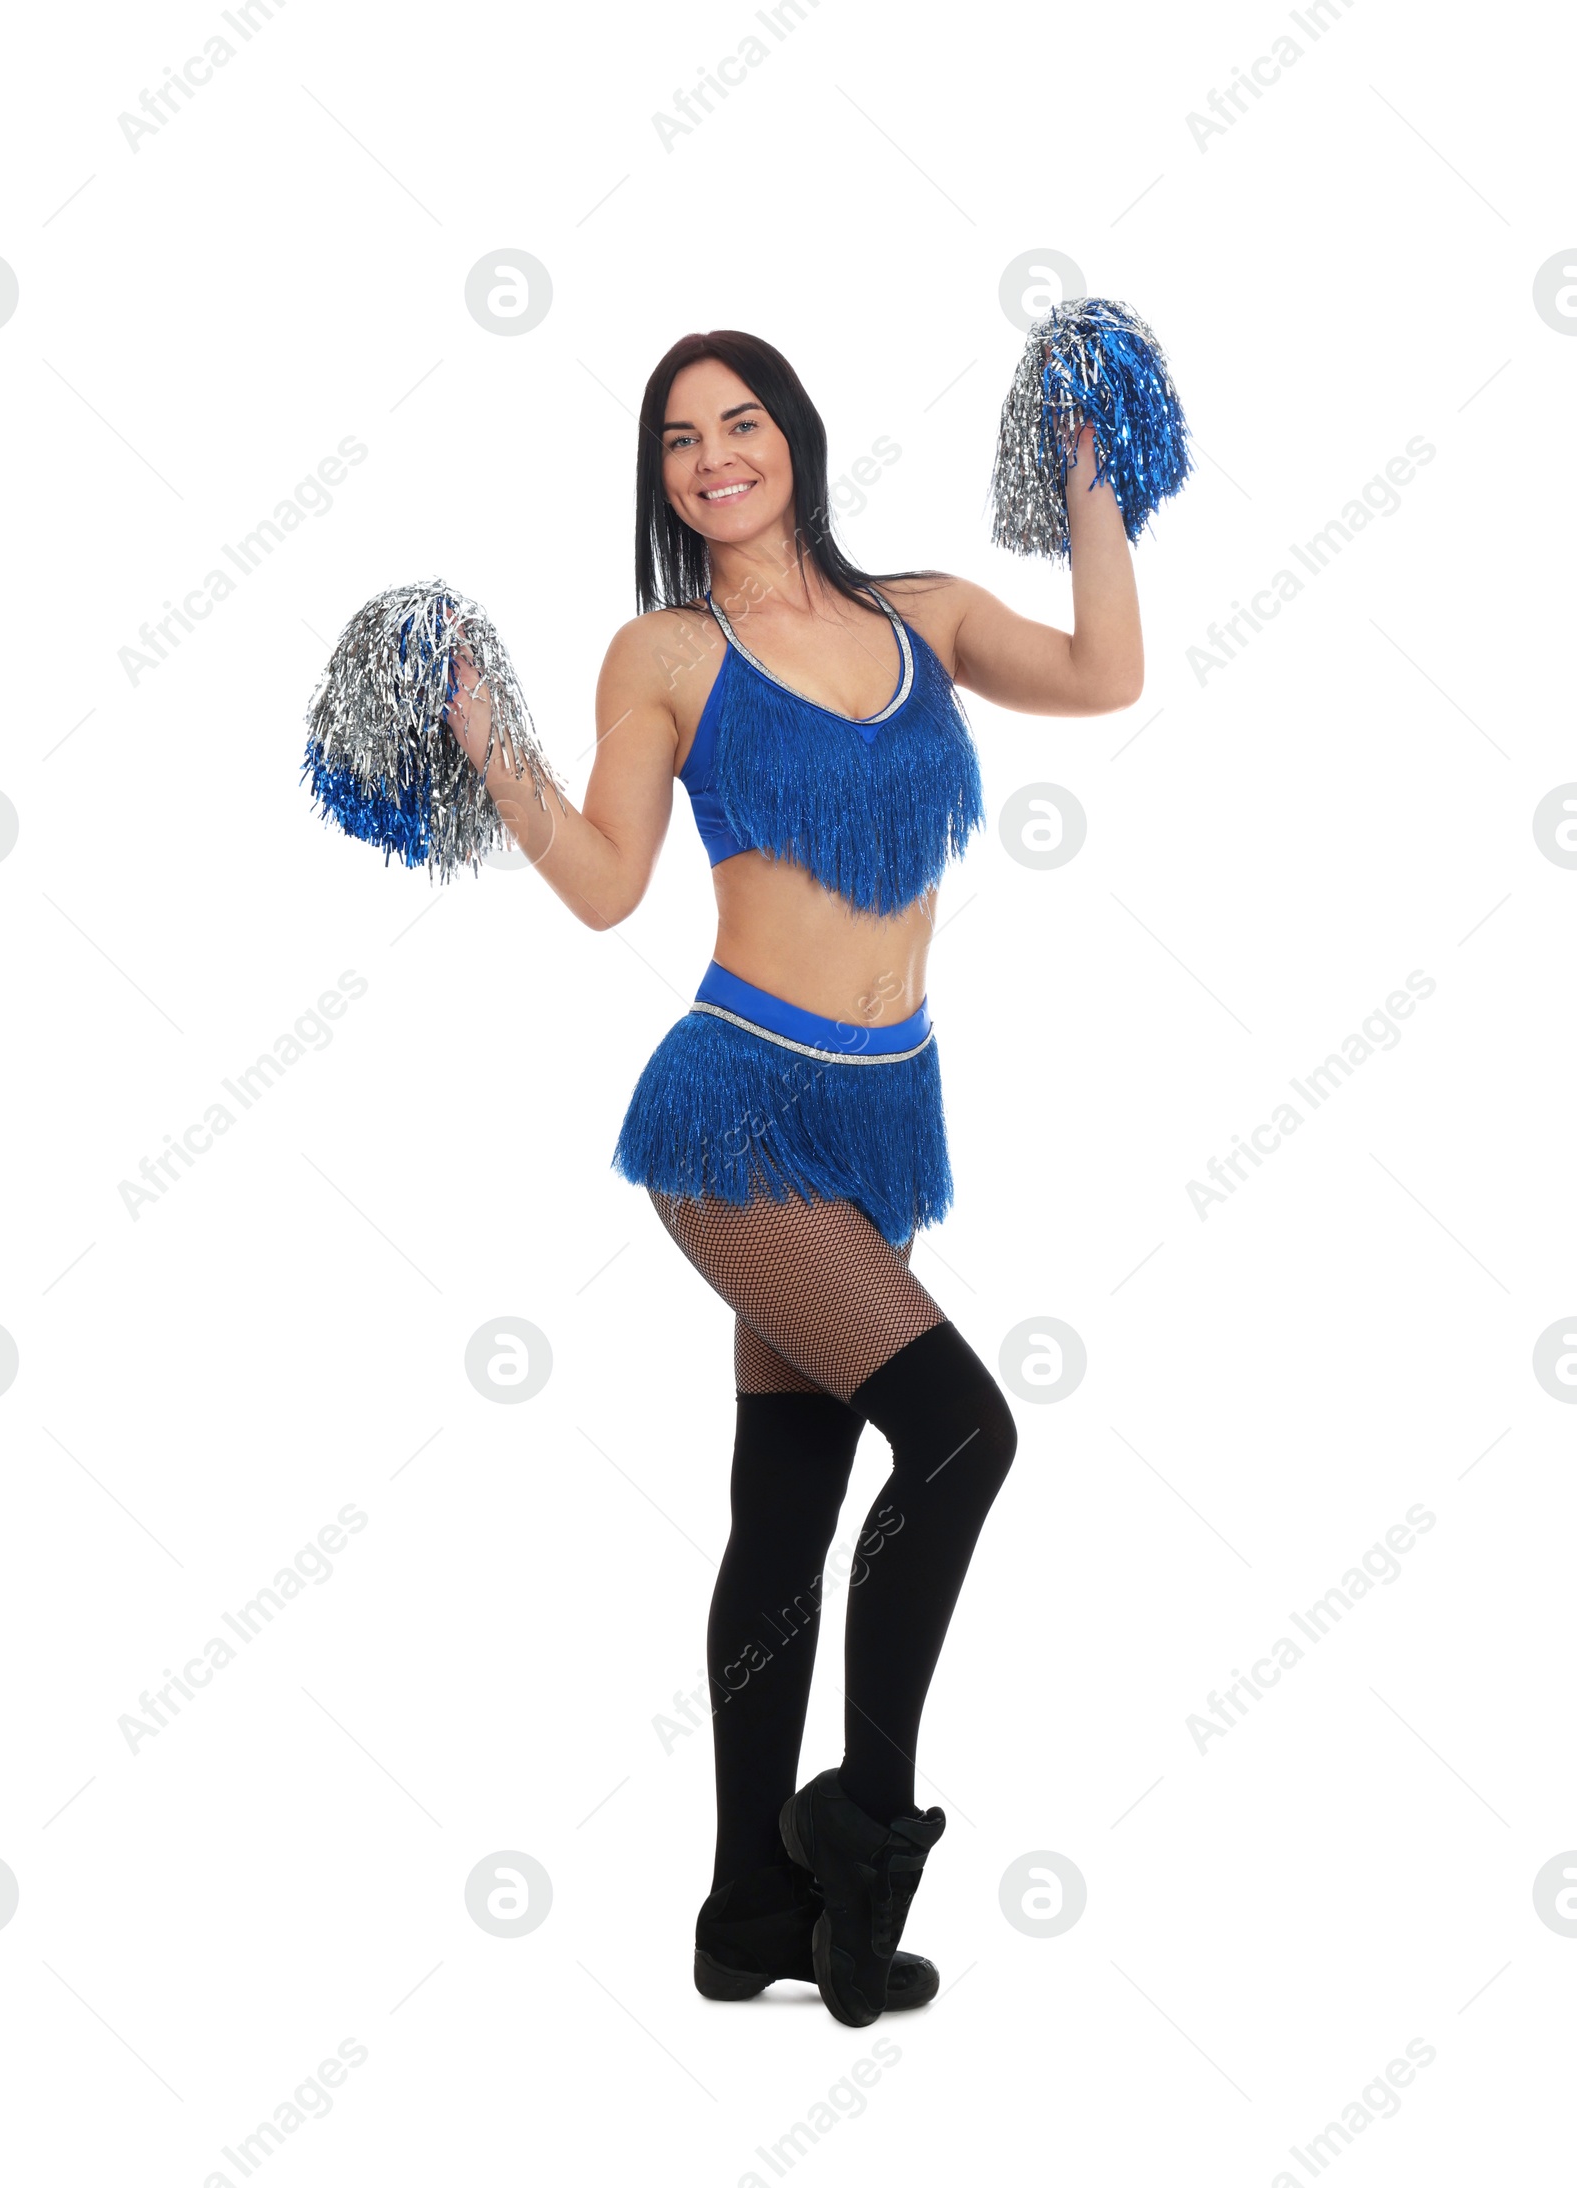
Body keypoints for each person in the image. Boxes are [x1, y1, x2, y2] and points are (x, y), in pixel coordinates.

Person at [445, 328, 1143, 2027]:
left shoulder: (926, 615)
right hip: (739, 1114)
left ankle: (745, 1910)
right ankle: (862, 1824)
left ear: (797, 437)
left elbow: (1106, 672)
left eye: (739, 422)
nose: (712, 458)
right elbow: (610, 884)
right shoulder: (668, 649)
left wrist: (1088, 477)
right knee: (967, 1431)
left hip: (886, 1110)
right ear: (661, 477)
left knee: (787, 1510)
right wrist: (489, 746)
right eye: (678, 439)